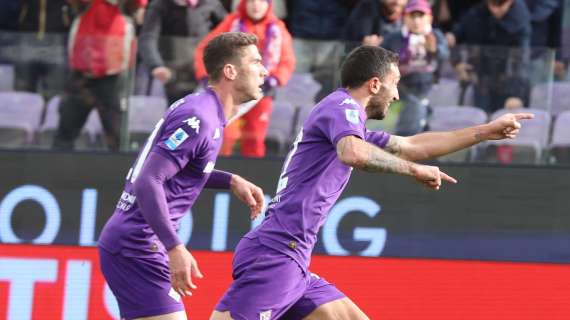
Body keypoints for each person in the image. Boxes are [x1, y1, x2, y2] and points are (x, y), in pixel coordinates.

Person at [210, 45, 533, 319]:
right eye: (395, 84)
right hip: (276, 253)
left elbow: (413, 146)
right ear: (375, 84)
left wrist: (485, 132)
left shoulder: (351, 124)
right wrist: (414, 171)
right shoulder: (342, 107)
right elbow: (353, 154)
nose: (396, 94)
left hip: (292, 257)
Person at [98, 32, 267, 320]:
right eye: (256, 62)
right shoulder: (200, 118)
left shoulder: (204, 109)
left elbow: (182, 168)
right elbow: (148, 180)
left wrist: (229, 180)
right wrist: (175, 246)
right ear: (230, 71)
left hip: (136, 244)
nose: (264, 70)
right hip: (138, 247)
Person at [194, 0, 295, 158]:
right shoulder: (231, 22)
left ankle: (251, 179)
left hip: (262, 94)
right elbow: (206, 48)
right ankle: (212, 173)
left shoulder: (278, 28)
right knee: (224, 135)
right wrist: (205, 75)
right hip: (231, 92)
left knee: (255, 139)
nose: (256, 5)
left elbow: (287, 61)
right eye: (251, 1)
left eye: (261, 1)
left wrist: (275, 79)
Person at [53, 0, 147, 151]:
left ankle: (118, 174)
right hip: (81, 75)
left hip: (113, 77)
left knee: (118, 141)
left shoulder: (124, 8)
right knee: (64, 136)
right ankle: (56, 173)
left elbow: (139, 6)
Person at [446, 0, 532, 113]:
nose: (495, 10)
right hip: (481, 80)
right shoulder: (478, 12)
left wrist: (517, 94)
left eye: (500, 5)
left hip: (508, 82)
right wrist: (457, 62)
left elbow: (522, 60)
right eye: (492, 4)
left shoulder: (520, 18)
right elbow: (456, 35)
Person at [139, 0, 227, 104]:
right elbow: (148, 38)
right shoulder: (160, 5)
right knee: (180, 109)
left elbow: (227, 33)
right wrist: (156, 65)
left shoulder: (211, 4)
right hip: (175, 73)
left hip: (205, 70)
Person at [382, 0, 449, 135]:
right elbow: (382, 59)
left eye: (421, 15)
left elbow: (445, 55)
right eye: (412, 16)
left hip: (430, 88)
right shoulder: (394, 37)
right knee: (414, 110)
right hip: (402, 90)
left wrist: (434, 49)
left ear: (429, 17)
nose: (416, 21)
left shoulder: (435, 35)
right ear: (404, 17)